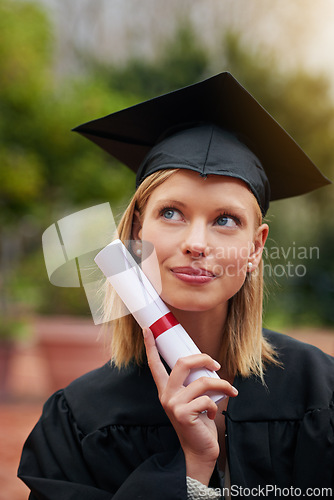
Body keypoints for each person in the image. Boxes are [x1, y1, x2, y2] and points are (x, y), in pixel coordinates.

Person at [18, 72, 334, 499]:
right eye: (171, 213)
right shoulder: (79, 420)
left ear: (256, 247)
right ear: (134, 229)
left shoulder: (321, 393)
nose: (196, 244)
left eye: (226, 220)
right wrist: (190, 470)